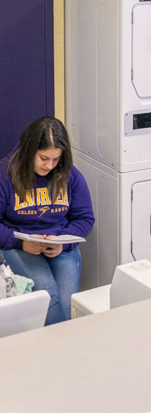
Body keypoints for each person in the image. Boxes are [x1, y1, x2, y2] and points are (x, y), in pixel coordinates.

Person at [0, 117, 95, 325]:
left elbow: (85, 218)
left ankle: (61, 351)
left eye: (56, 159)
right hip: (18, 245)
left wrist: (62, 241)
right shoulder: (5, 175)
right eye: (44, 158)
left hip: (60, 245)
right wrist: (21, 242)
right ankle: (66, 351)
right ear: (29, 151)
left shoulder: (69, 174)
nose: (50, 166)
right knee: (49, 299)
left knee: (68, 304)